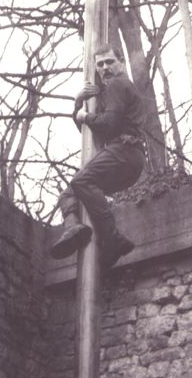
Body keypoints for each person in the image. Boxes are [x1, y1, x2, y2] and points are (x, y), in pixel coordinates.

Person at [50, 44, 146, 268]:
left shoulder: (118, 85)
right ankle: (73, 227)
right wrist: (79, 104)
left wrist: (84, 116)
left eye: (110, 62)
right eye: (100, 64)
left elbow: (108, 124)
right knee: (69, 193)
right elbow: (94, 131)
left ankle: (113, 239)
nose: (105, 67)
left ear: (121, 63)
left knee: (82, 180)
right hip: (126, 157)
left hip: (125, 151)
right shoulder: (109, 91)